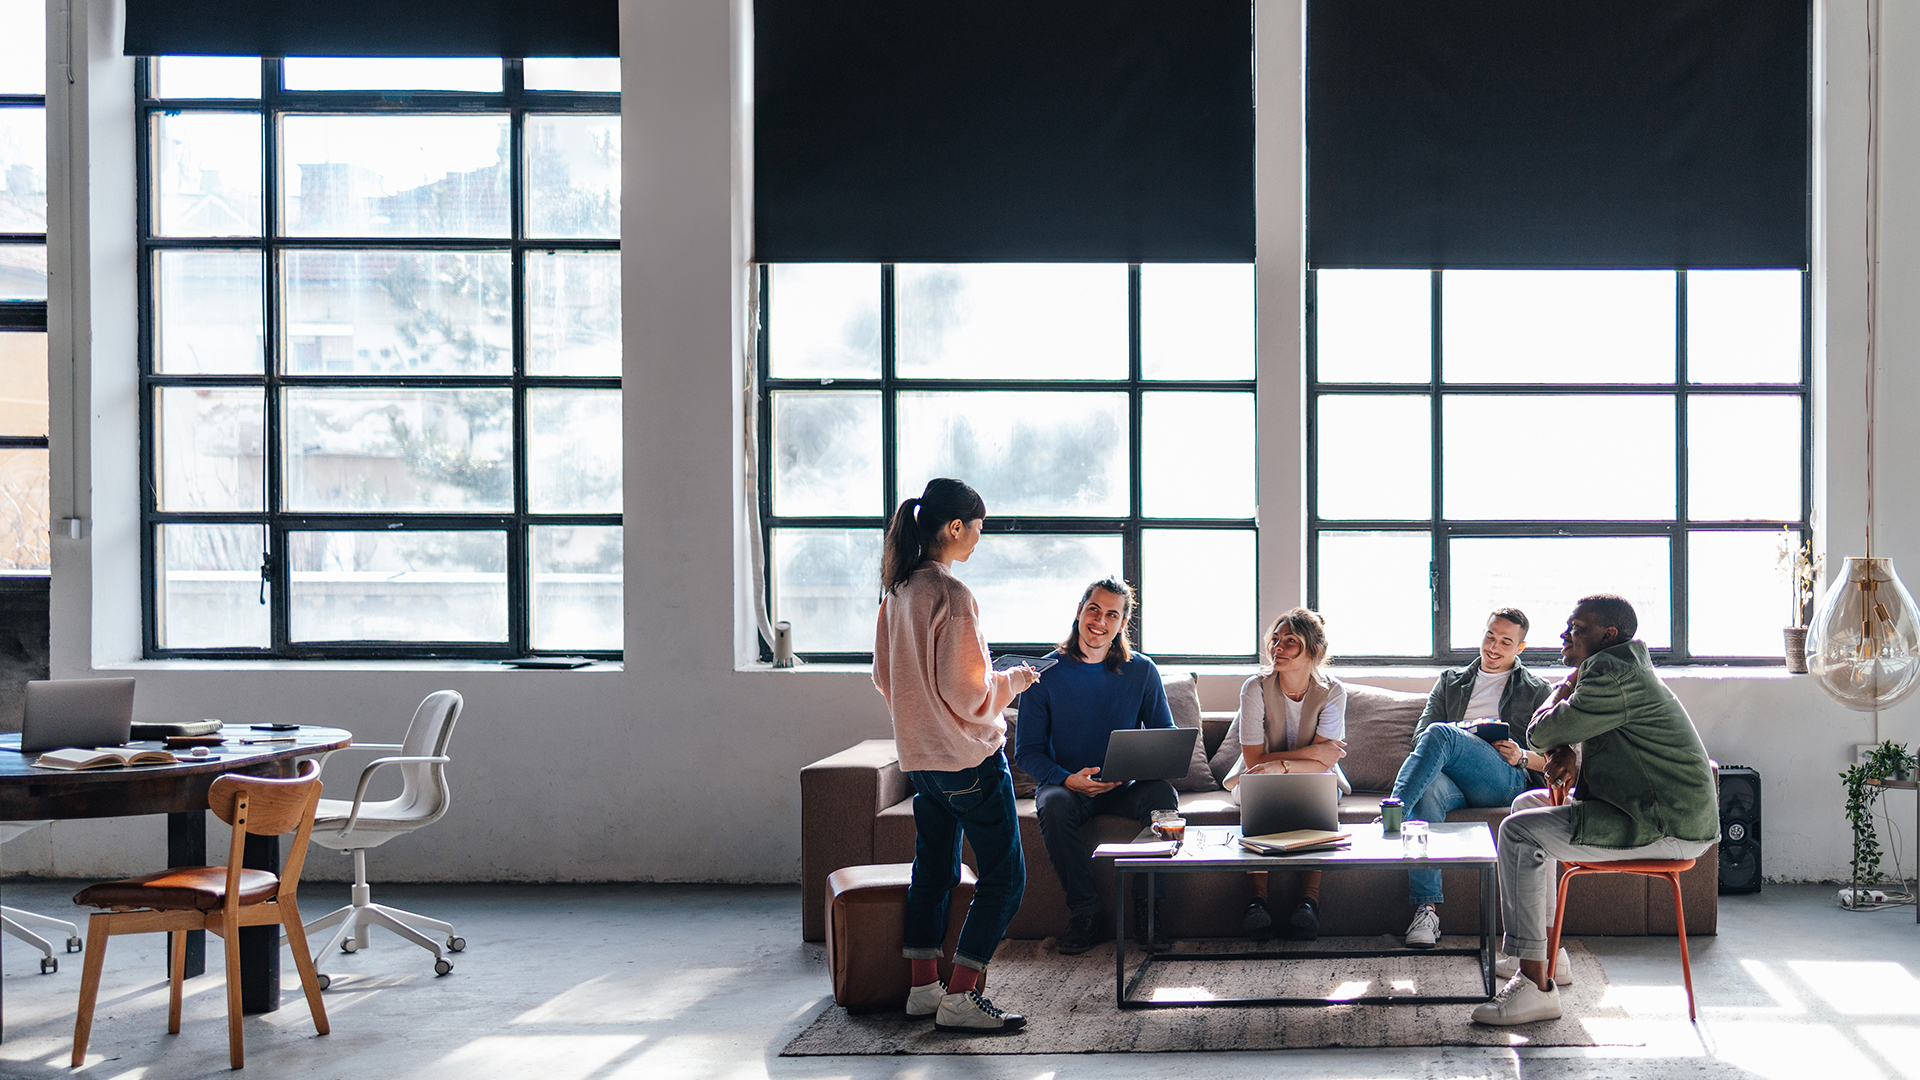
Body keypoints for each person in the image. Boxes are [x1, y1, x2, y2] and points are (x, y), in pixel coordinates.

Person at [1471, 594, 1719, 1026]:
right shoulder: (1621, 670)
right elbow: (1568, 735)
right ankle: (1547, 954)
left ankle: (1536, 988)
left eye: (1577, 627)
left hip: (1662, 823)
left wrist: (1564, 693)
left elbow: (1539, 731)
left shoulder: (1611, 673)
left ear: (1608, 635)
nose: (1565, 634)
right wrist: (1566, 744)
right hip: (1651, 809)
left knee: (1517, 832)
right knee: (1527, 803)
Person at [872, 477, 1040, 1034]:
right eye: (977, 529)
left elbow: (883, 677)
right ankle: (963, 997)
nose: (978, 540)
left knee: (935, 870)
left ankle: (924, 987)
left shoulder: (896, 590)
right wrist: (1013, 680)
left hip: (920, 761)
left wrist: (922, 720)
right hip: (967, 761)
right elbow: (969, 694)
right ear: (954, 527)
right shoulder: (951, 594)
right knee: (1005, 877)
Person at [1014, 577, 1180, 956]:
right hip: (1069, 787)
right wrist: (1067, 779)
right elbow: (1027, 752)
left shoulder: (1142, 670)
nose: (1099, 621)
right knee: (1052, 804)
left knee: (1163, 796)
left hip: (1126, 786)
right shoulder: (1044, 672)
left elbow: (1165, 738)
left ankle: (1149, 913)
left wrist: (1132, 770)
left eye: (1111, 614)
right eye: (1094, 609)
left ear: (1122, 624)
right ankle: (1085, 914)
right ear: (1079, 612)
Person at [1390, 609, 1553, 948]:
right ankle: (1427, 911)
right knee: (1429, 788)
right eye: (1489, 637)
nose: (1493, 647)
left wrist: (1520, 755)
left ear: (1520, 647)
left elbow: (1556, 758)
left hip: (1503, 779)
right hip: (1451, 778)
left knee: (1442, 733)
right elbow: (1422, 736)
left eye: (1505, 642)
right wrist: (1460, 739)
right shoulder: (1451, 681)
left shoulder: (1537, 691)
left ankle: (1393, 814)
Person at [1225, 608, 1349, 941]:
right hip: (1257, 774)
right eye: (1275, 640)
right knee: (1261, 790)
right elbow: (1253, 760)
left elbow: (1325, 763)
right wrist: (1309, 753)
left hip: (1313, 776)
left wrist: (1283, 764)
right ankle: (1256, 902)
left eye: (1289, 642)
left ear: (1313, 651)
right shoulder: (1255, 688)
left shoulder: (1334, 692)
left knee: (1318, 794)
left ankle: (1309, 902)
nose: (1277, 648)